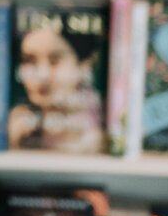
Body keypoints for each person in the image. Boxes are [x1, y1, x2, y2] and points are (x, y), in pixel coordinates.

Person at [7, 23, 103, 153]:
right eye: (29, 60)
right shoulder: (15, 123)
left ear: (84, 66)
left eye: (55, 61)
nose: (42, 75)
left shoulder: (97, 134)